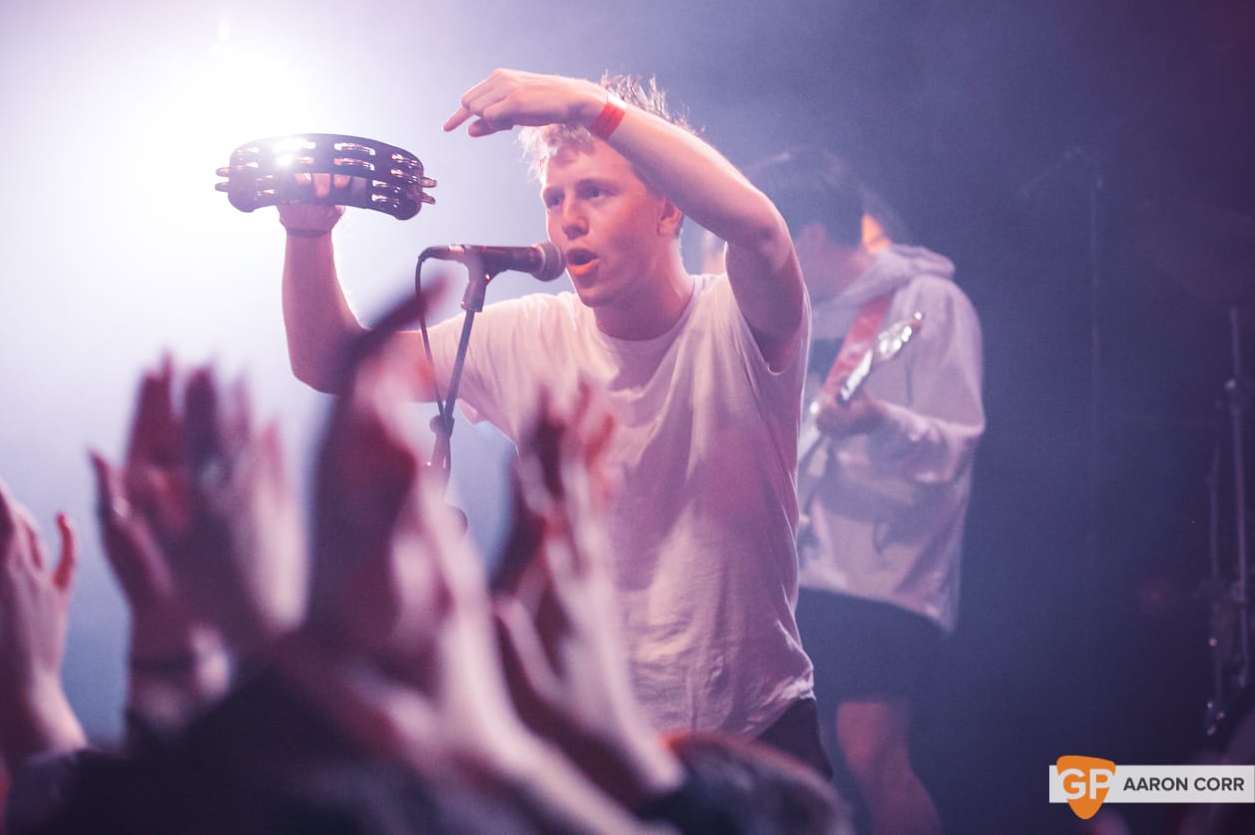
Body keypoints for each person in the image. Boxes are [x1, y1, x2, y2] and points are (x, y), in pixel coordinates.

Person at [277, 68, 826, 771]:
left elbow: (761, 230)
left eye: (595, 192)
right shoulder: (524, 334)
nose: (568, 218)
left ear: (669, 211)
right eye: (554, 198)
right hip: (592, 734)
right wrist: (306, 232)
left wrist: (587, 106)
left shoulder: (740, 319)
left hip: (757, 733)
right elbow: (328, 359)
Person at [724, 146, 985, 835]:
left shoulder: (932, 303)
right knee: (789, 757)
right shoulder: (800, 311)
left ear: (808, 235)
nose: (755, 255)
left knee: (873, 752)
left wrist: (878, 421)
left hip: (888, 572)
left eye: (765, 236)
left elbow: (958, 442)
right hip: (800, 565)